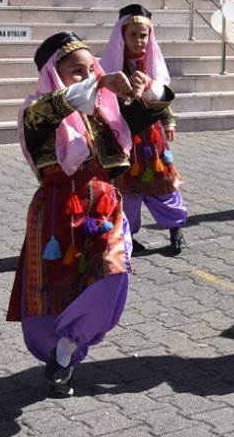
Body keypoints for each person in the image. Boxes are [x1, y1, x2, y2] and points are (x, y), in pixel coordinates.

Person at [9, 32, 172, 396]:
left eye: (91, 68)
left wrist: (147, 89)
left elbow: (156, 109)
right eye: (75, 71)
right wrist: (98, 82)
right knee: (58, 287)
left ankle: (69, 347)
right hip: (56, 211)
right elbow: (56, 107)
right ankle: (61, 360)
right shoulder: (36, 110)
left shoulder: (106, 112)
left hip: (105, 206)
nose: (86, 76)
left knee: (113, 273)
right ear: (54, 73)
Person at [100, 5, 188, 253]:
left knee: (163, 182)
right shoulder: (110, 68)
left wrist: (168, 121)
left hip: (152, 138)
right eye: (133, 35)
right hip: (124, 137)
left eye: (144, 35)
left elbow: (162, 97)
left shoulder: (152, 64)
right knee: (127, 189)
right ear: (122, 37)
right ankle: (129, 234)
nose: (139, 41)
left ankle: (176, 227)